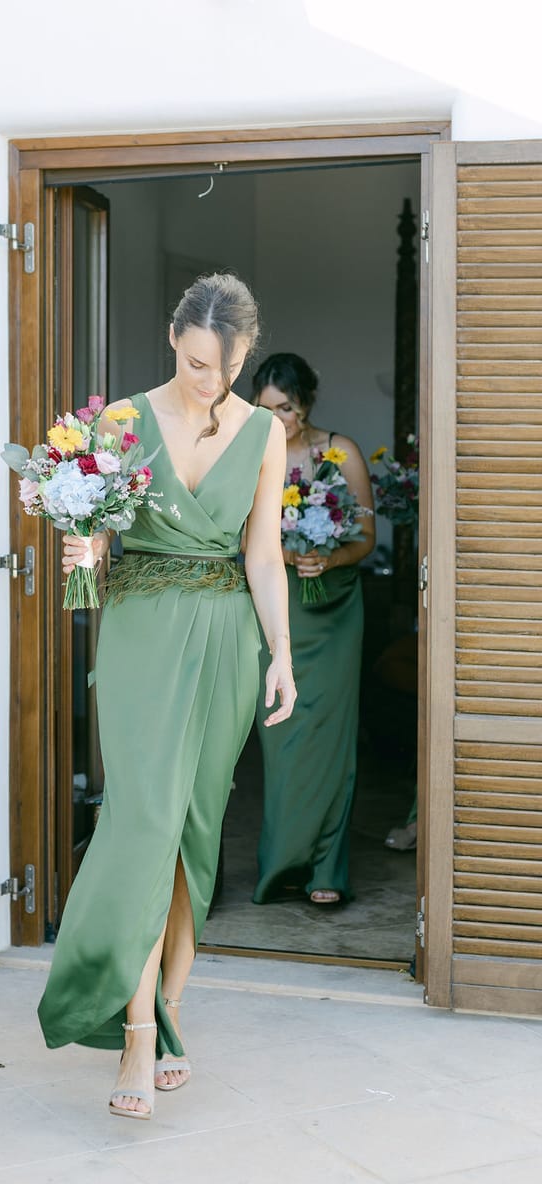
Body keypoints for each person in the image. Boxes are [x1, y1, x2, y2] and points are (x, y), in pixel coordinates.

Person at [37, 275, 296, 1121]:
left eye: (223, 370)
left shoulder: (264, 434)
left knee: (192, 831)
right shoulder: (121, 423)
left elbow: (262, 554)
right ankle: (136, 1034)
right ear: (172, 338)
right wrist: (84, 544)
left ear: (244, 358)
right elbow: (103, 532)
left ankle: (171, 1007)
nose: (206, 382)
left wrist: (282, 653)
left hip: (227, 641)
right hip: (142, 636)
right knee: (141, 822)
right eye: (193, 363)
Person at [251, 352, 375, 906]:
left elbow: (365, 539)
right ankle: (282, 866)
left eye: (286, 407)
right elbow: (244, 537)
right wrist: (286, 554)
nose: (279, 419)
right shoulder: (253, 451)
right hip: (282, 609)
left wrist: (329, 560)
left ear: (307, 400)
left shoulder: (340, 451)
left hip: (335, 610)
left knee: (330, 735)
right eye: (266, 408)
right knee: (283, 737)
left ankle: (328, 867)